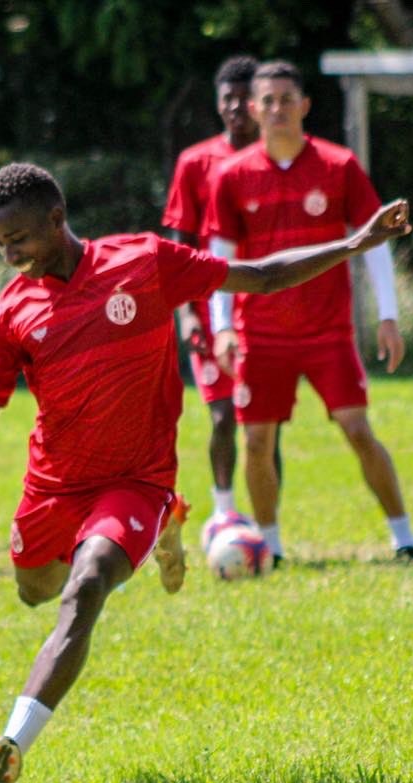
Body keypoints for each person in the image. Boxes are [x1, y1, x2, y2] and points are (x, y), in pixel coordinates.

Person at [0, 163, 411, 783]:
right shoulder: (11, 314)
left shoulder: (144, 262)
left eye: (20, 240)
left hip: (135, 480)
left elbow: (258, 276)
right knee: (36, 591)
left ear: (57, 221)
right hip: (53, 488)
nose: (8, 256)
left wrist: (353, 243)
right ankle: (163, 530)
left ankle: (11, 745)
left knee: (87, 584)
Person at [204, 60, 413, 566]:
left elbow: (377, 240)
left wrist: (388, 316)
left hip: (328, 331)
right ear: (254, 110)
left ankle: (404, 540)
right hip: (258, 333)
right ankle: (269, 549)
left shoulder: (339, 165)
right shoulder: (230, 176)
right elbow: (218, 260)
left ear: (304, 106)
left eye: (286, 98)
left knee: (357, 431)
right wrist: (220, 329)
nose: (277, 108)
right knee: (256, 441)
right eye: (268, 100)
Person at [161, 54, 264, 528]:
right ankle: (223, 512)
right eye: (229, 98)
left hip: (265, 308)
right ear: (218, 104)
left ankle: (268, 524)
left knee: (263, 426)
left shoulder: (276, 159)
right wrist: (187, 315)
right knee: (222, 414)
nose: (238, 107)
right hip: (211, 307)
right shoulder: (195, 162)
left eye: (247, 98)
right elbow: (179, 246)